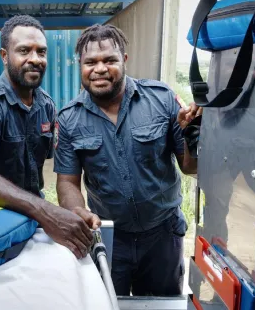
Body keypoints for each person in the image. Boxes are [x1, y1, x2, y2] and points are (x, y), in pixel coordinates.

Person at [54, 24, 201, 296]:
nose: (99, 68)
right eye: (90, 62)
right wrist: (78, 211)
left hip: (162, 237)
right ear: (80, 66)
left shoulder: (161, 100)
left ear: (124, 60)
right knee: (109, 302)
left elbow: (190, 167)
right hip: (110, 240)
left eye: (109, 60)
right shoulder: (69, 119)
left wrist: (190, 133)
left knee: (162, 306)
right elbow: (67, 182)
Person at [0, 15, 94, 259]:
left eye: (41, 52)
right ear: (5, 56)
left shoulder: (46, 106)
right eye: (24, 51)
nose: (35, 59)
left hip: (28, 220)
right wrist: (45, 210)